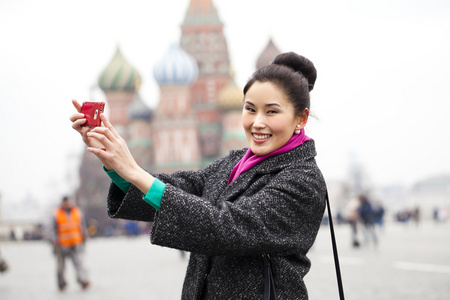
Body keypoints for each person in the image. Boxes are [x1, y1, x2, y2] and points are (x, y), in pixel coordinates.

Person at [70, 52, 327, 299]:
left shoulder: (302, 179)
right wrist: (115, 164)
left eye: (271, 111)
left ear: (301, 118)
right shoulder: (235, 163)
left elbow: (226, 227)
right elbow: (183, 187)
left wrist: (135, 171)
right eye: (250, 109)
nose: (257, 122)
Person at [50, 196, 90, 291]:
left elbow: (82, 225)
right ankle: (61, 283)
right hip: (61, 243)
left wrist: (84, 235)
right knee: (61, 266)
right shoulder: (56, 213)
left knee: (78, 263)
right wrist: (54, 240)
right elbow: (52, 228)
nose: (67, 204)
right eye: (65, 203)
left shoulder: (77, 211)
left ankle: (83, 280)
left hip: (75, 242)